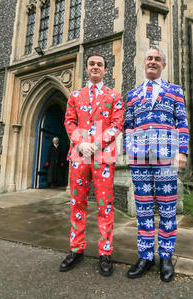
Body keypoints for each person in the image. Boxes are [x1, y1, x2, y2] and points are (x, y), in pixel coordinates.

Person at [123, 45, 189, 282]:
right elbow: (127, 125)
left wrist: (182, 152)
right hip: (139, 160)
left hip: (167, 158)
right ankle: (146, 255)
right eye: (149, 58)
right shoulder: (132, 95)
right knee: (143, 210)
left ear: (163, 64)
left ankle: (166, 256)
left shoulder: (175, 91)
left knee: (168, 209)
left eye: (157, 59)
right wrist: (129, 149)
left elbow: (182, 121)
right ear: (144, 63)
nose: (152, 61)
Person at [60, 53, 124, 276]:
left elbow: (117, 123)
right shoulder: (76, 95)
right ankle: (76, 249)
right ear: (86, 69)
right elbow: (69, 121)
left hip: (103, 157)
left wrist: (96, 144)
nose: (96, 67)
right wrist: (80, 143)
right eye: (92, 64)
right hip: (79, 156)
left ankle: (105, 253)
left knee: (105, 205)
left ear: (105, 70)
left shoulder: (114, 96)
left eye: (100, 64)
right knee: (77, 203)